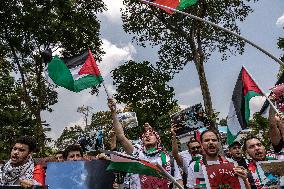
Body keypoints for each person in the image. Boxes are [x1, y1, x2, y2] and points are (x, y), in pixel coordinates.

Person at [108, 98, 183, 189]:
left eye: (151, 134)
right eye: (144, 136)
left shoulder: (169, 160)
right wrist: (113, 112)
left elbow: (179, 183)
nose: (147, 136)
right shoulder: (137, 155)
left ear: (158, 139)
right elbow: (121, 136)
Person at [186, 130, 251, 189]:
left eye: (214, 140)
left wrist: (244, 180)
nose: (211, 142)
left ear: (218, 143)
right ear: (201, 144)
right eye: (207, 140)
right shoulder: (194, 167)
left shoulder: (231, 163)